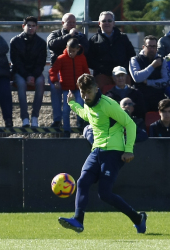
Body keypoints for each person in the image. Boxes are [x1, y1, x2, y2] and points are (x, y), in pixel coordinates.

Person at [58, 74, 147, 234]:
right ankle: (78, 220)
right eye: (82, 93)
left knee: (104, 194)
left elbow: (130, 124)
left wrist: (128, 150)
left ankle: (138, 219)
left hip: (114, 151)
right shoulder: (87, 104)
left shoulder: (108, 104)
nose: (85, 96)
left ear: (96, 89)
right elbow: (87, 116)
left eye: (88, 92)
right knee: (83, 181)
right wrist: (72, 103)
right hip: (97, 150)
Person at [47, 13, 89, 128]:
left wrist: (77, 39)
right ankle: (57, 119)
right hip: (59, 70)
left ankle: (81, 120)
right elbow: (51, 45)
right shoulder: (55, 34)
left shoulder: (80, 35)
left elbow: (87, 49)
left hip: (76, 72)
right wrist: (69, 36)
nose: (72, 24)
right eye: (69, 22)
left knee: (81, 96)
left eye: (74, 22)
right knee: (55, 88)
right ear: (63, 23)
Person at [10, 16, 47, 127]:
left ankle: (35, 116)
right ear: (23, 26)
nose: (31, 28)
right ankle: (25, 118)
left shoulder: (41, 43)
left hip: (35, 73)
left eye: (33, 26)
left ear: (37, 27)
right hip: (19, 73)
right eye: (29, 25)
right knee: (21, 84)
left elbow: (41, 62)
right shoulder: (15, 41)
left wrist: (33, 76)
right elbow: (16, 62)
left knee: (41, 82)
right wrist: (26, 76)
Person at [49, 38, 89, 137]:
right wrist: (55, 80)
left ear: (78, 50)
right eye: (69, 51)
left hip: (79, 89)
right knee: (66, 110)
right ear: (66, 48)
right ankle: (66, 130)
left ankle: (80, 123)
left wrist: (87, 82)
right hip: (67, 89)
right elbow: (53, 71)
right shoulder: (61, 58)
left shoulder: (82, 58)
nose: (71, 53)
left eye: (73, 51)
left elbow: (86, 71)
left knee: (80, 106)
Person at [87, 11, 136, 90]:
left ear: (114, 23)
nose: (107, 23)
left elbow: (132, 55)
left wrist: (123, 69)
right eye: (104, 21)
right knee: (100, 92)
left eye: (109, 21)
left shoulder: (123, 38)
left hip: (122, 72)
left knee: (128, 91)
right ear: (99, 23)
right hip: (103, 74)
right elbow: (89, 60)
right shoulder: (94, 40)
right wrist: (102, 69)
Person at [129, 35, 170, 112]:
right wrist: (152, 66)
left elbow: (166, 81)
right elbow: (137, 78)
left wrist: (148, 82)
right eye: (149, 46)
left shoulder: (162, 60)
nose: (152, 49)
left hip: (157, 96)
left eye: (154, 47)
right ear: (143, 47)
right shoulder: (135, 59)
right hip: (140, 96)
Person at [83, 97, 148, 144]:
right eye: (125, 104)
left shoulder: (136, 122)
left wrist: (124, 140)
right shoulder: (110, 122)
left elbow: (144, 135)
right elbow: (88, 129)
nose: (127, 106)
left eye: (130, 104)